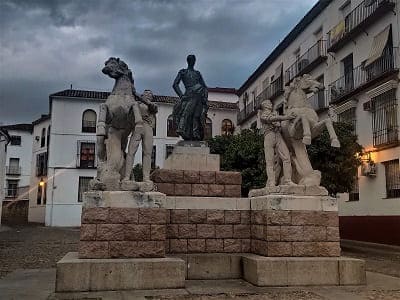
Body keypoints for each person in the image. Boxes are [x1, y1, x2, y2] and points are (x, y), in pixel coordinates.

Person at [123, 89, 157, 183]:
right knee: (131, 151)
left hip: (148, 128)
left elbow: (152, 108)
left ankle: (146, 177)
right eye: (146, 92)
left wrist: (136, 94)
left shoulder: (153, 105)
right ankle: (126, 176)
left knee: (147, 153)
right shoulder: (135, 105)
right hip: (137, 127)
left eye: (150, 93)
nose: (148, 94)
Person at [260, 99, 296, 186]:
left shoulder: (274, 113)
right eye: (269, 103)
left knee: (286, 157)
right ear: (265, 106)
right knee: (270, 161)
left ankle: (288, 180)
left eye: (270, 103)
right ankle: (271, 181)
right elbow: (272, 119)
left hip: (278, 135)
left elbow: (278, 123)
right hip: (269, 135)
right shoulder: (263, 115)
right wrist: (286, 117)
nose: (271, 104)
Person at [172, 54, 208, 140]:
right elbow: (175, 84)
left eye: (193, 60)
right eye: (191, 60)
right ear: (188, 61)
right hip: (189, 95)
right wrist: (181, 95)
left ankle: (194, 133)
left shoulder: (197, 74)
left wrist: (204, 99)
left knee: (196, 116)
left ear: (194, 62)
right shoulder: (183, 72)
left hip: (198, 96)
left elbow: (204, 87)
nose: (192, 61)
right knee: (189, 113)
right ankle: (183, 128)